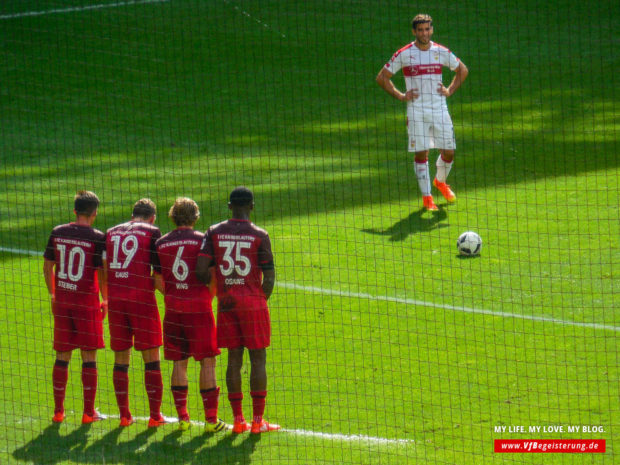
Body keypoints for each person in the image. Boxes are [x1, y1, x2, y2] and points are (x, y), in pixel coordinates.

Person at [196, 187, 279, 434]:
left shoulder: (214, 231)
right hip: (253, 304)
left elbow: (201, 270)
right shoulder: (260, 235)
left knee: (233, 358)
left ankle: (238, 420)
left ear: (229, 206)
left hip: (227, 304)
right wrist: (257, 300)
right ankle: (257, 421)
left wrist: (221, 288)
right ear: (252, 206)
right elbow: (270, 277)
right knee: (258, 358)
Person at [376, 13, 469, 211]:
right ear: (414, 31)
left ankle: (440, 182)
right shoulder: (404, 54)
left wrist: (449, 90)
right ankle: (427, 198)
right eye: (420, 30)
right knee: (421, 153)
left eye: (427, 29)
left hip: (439, 108)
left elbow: (463, 70)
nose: (424, 33)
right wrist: (401, 95)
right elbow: (382, 78)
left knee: (449, 152)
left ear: (432, 30)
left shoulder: (441, 51)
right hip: (417, 111)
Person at [154, 197, 228, 433]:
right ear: (195, 217)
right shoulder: (204, 241)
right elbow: (214, 275)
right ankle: (210, 420)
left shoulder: (162, 243)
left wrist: (175, 293)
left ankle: (183, 418)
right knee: (208, 361)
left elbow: (157, 279)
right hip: (199, 308)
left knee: (179, 361)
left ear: (172, 216)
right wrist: (207, 297)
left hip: (173, 308)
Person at [43, 190, 107, 424]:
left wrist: (52, 294)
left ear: (75, 210)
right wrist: (105, 299)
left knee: (62, 356)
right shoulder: (97, 236)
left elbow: (47, 266)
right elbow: (102, 272)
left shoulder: (58, 232)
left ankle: (58, 412)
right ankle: (88, 413)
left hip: (63, 301)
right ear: (94, 213)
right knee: (89, 357)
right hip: (87, 303)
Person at [104, 199, 167, 428]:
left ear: (132, 215)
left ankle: (124, 416)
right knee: (151, 358)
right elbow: (158, 276)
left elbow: (104, 267)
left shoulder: (110, 233)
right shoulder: (152, 231)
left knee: (121, 358)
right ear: (153, 217)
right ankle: (155, 416)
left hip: (117, 301)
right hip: (141, 301)